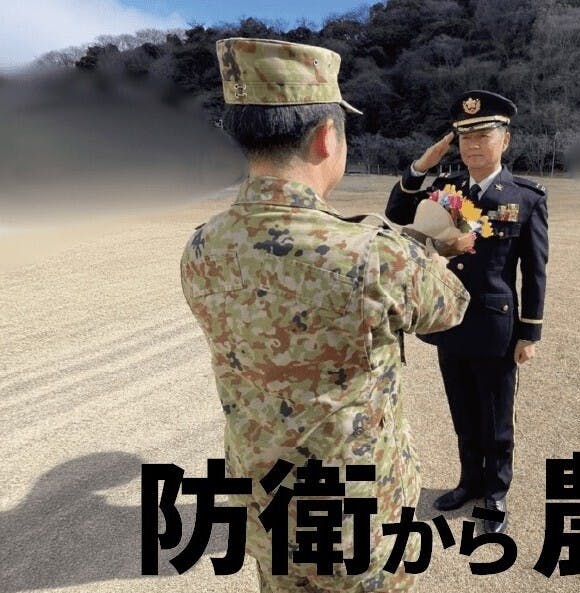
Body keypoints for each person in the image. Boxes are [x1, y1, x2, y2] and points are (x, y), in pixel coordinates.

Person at [180, 38, 470, 593]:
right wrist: (430, 250)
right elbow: (450, 307)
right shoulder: (373, 254)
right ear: (325, 137)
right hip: (355, 515)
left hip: (263, 501)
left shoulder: (201, 246)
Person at [385, 90, 548, 534]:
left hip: (496, 325)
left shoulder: (526, 196)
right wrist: (422, 165)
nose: (473, 146)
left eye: (483, 136)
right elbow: (398, 211)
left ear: (505, 141)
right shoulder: (447, 189)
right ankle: (468, 481)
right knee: (462, 410)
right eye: (465, 138)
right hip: (449, 321)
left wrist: (530, 333)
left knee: (496, 416)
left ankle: (495, 492)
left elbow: (535, 271)